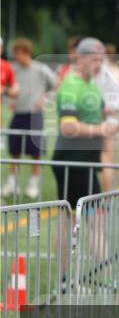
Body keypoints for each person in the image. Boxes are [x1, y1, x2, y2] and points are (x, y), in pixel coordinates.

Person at [51, 38, 117, 207]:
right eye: (94, 59)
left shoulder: (91, 84)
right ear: (79, 59)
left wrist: (106, 111)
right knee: (81, 221)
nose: (99, 65)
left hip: (86, 162)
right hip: (72, 162)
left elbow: (94, 112)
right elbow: (68, 126)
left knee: (78, 222)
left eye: (101, 60)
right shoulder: (71, 86)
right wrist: (100, 129)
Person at [4, 38, 58, 200]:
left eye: (19, 54)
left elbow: (56, 85)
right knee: (15, 151)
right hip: (18, 113)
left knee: (36, 152)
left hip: (35, 115)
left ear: (27, 53)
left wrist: (45, 100)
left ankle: (33, 184)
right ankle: (12, 183)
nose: (17, 58)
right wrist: (8, 102)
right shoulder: (13, 69)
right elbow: (6, 88)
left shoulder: (41, 69)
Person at [96, 43, 119, 191]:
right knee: (109, 161)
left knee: (106, 162)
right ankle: (107, 195)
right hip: (114, 117)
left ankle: (105, 196)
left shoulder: (103, 71)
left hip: (105, 117)